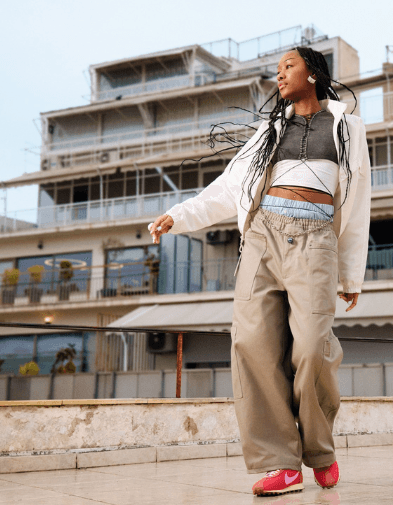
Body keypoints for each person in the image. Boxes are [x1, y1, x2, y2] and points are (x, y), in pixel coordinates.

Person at [149, 46, 371, 496]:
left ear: (313, 72)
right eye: (277, 70)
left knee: (311, 348)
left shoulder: (346, 127)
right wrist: (180, 215)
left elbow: (359, 201)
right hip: (263, 237)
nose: (280, 75)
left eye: (288, 66)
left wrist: (351, 275)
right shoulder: (270, 131)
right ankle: (281, 463)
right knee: (250, 342)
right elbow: (228, 189)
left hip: (316, 241)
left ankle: (320, 451)